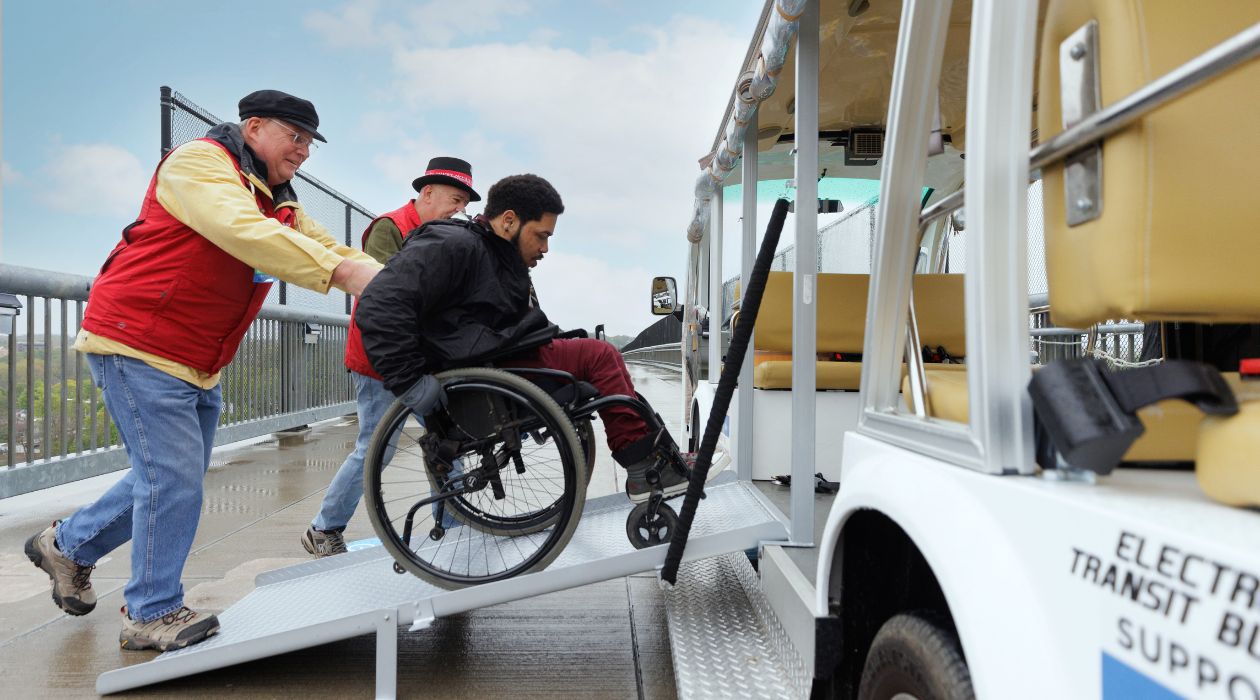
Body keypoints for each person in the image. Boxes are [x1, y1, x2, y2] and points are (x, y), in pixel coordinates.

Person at [23, 89, 381, 652]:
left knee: (167, 479)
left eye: (311, 142)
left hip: (196, 356)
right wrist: (346, 276)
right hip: (139, 340)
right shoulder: (201, 164)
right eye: (296, 137)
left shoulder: (276, 195)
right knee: (173, 481)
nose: (305, 151)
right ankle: (150, 611)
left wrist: (395, 277)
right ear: (255, 126)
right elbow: (242, 231)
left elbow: (319, 241)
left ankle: (68, 546)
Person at [355, 174, 692, 504]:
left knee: (602, 357)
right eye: (541, 235)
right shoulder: (454, 245)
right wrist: (409, 382)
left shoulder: (494, 253)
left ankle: (655, 455)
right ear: (509, 221)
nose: (545, 248)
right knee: (599, 355)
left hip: (500, 356)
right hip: (492, 368)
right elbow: (378, 304)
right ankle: (643, 468)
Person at [301, 157, 479, 558]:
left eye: (464, 204)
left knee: (447, 440)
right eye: (455, 199)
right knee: (376, 447)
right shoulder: (390, 228)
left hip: (421, 360)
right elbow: (383, 296)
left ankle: (454, 527)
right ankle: (323, 528)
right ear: (427, 193)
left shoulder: (447, 235)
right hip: (379, 360)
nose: (459, 210)